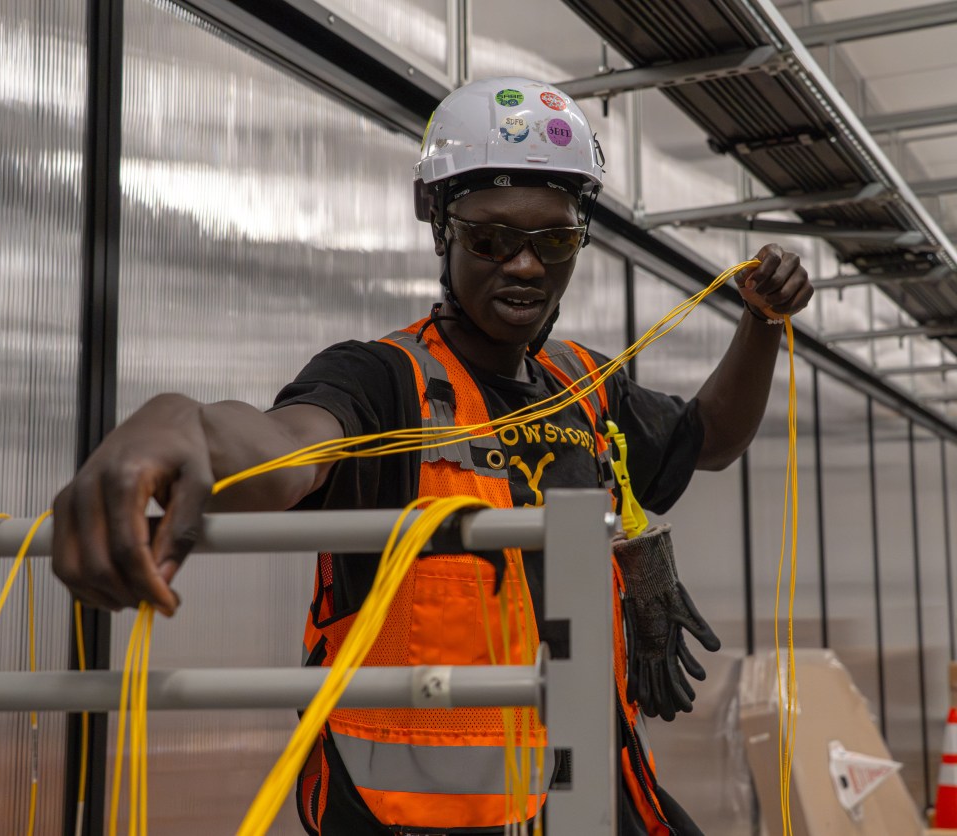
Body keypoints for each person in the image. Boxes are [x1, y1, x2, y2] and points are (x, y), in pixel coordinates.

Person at [51, 77, 812, 834]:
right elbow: (283, 451)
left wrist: (760, 323)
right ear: (438, 223)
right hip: (423, 817)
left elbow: (711, 439)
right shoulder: (383, 382)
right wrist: (174, 423)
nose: (524, 267)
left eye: (554, 241)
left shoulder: (585, 388)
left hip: (594, 795)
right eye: (491, 238)